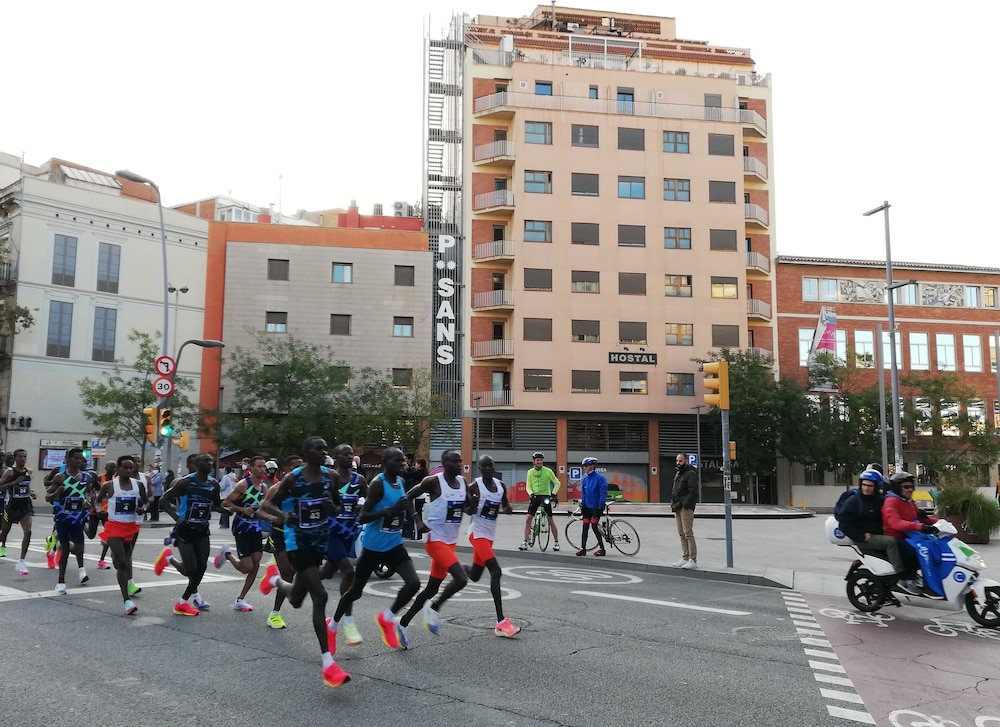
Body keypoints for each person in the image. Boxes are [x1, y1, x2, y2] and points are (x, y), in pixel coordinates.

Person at [258, 436, 349, 688]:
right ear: (306, 452)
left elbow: (338, 506)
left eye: (325, 448)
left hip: (320, 540)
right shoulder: (293, 479)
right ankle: (328, 664)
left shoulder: (331, 477)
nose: (324, 451)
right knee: (320, 596)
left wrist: (332, 508)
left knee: (297, 599)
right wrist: (283, 515)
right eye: (318, 448)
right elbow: (268, 504)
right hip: (297, 542)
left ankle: (275, 580)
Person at [329, 447, 421, 652]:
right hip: (373, 547)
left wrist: (415, 519)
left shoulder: (401, 482)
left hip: (394, 544)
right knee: (355, 592)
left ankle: (387, 617)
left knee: (414, 583)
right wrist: (389, 511)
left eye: (403, 460)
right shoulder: (378, 484)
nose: (403, 464)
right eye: (398, 461)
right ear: (386, 463)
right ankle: (333, 624)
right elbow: (363, 517)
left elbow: (405, 502)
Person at [397, 450, 469, 643]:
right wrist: (417, 520)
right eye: (454, 461)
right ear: (444, 464)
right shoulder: (433, 482)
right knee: (461, 578)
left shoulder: (463, 483)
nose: (459, 464)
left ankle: (402, 623)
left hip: (451, 542)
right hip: (434, 540)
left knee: (431, 589)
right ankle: (435, 607)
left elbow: (468, 507)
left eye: (460, 461)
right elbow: (406, 498)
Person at [155, 453, 224, 615]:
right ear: (197, 465)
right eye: (206, 461)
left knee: (202, 567)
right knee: (190, 570)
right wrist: (177, 519)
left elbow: (216, 505)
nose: (210, 464)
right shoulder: (185, 482)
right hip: (185, 530)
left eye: (211, 461)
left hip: (202, 531)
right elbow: (163, 501)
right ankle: (169, 559)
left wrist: (226, 510)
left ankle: (182, 602)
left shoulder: (214, 484)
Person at [464, 455, 520, 637]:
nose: (488, 468)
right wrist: (472, 507)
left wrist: (508, 509)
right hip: (477, 533)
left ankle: (454, 567)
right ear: (479, 468)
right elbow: (466, 510)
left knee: (474, 575)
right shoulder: (474, 486)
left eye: (491, 465)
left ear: (494, 466)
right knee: (496, 571)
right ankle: (501, 623)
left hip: (489, 536)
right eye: (484, 466)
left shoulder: (500, 486)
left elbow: (505, 505)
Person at [320, 444, 368, 646]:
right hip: (331, 533)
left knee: (326, 573)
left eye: (351, 454)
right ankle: (348, 622)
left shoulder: (360, 480)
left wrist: (361, 509)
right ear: (336, 457)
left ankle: (290, 581)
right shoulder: (329, 478)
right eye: (345, 454)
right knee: (348, 571)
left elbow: (369, 500)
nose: (350, 457)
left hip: (349, 532)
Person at [93, 455, 147, 613]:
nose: (128, 470)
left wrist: (142, 508)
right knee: (122, 563)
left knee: (125, 558)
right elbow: (97, 500)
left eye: (131, 467)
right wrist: (98, 510)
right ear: (118, 469)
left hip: (130, 526)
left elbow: (146, 501)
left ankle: (115, 556)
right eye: (125, 467)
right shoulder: (109, 485)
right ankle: (127, 600)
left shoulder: (138, 485)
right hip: (114, 526)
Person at [214, 456, 268, 612]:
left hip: (255, 528)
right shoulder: (243, 484)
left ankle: (241, 599)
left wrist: (271, 517)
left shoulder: (264, 487)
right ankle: (227, 554)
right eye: (259, 466)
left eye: (264, 466)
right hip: (242, 527)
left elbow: (263, 507)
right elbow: (226, 502)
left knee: (256, 562)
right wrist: (242, 509)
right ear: (251, 468)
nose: (262, 469)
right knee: (246, 568)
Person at [835, 469, 906, 581]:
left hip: (879, 535)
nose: (866, 488)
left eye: (870, 486)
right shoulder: (854, 501)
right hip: (866, 539)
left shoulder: (880, 499)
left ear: (876, 487)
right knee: (891, 542)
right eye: (864, 485)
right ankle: (900, 576)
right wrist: (861, 536)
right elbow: (844, 524)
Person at [45, 447, 94, 593]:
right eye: (76, 458)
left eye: (81, 459)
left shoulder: (86, 477)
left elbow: (88, 492)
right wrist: (56, 492)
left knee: (80, 548)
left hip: (78, 518)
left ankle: (81, 570)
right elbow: (48, 497)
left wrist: (88, 501)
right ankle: (61, 581)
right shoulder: (60, 477)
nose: (79, 461)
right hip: (62, 518)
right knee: (65, 549)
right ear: (68, 459)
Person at [882, 470, 938, 594]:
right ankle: (908, 579)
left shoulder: (908, 501)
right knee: (919, 552)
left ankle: (928, 579)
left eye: (912, 486)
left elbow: (920, 518)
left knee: (934, 547)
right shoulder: (891, 502)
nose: (910, 489)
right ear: (897, 488)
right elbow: (895, 523)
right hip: (897, 537)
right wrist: (919, 527)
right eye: (906, 487)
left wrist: (939, 523)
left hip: (911, 535)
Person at [0, 449, 36, 573]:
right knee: (4, 534)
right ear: (15, 458)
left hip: (25, 507)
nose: (23, 459)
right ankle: (2, 545)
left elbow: (25, 486)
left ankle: (22, 561)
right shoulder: (10, 472)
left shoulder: (29, 471)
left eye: (25, 457)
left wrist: (31, 492)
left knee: (28, 531)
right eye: (20, 457)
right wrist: (14, 483)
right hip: (11, 507)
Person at [519, 452, 561, 551]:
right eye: (537, 460)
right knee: (528, 519)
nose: (539, 462)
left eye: (541, 460)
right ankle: (525, 542)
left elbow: (557, 483)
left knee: (550, 520)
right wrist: (531, 494)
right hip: (535, 496)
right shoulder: (530, 472)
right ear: (533, 461)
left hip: (545, 496)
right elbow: (528, 486)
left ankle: (556, 542)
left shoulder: (548, 471)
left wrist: (553, 494)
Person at [670, 453, 699, 570]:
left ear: (686, 461)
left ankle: (693, 559)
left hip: (685, 507)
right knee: (681, 533)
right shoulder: (678, 473)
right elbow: (675, 490)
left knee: (688, 533)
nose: (678, 463)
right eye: (677, 461)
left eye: (680, 461)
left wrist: (685, 504)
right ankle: (685, 557)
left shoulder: (691, 474)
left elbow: (693, 491)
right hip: (677, 506)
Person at [576, 457, 607, 557]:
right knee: (585, 526)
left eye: (586, 466)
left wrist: (600, 505)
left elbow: (603, 493)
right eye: (583, 466)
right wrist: (583, 504)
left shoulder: (600, 478)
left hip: (596, 506)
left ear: (592, 466)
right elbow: (584, 493)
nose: (584, 468)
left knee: (594, 526)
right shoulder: (585, 479)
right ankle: (583, 549)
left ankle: (602, 549)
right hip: (587, 507)